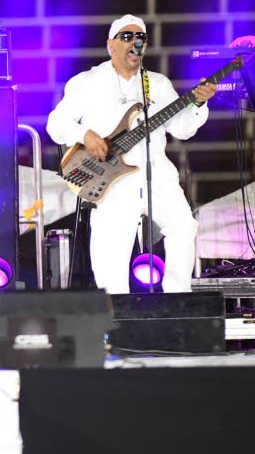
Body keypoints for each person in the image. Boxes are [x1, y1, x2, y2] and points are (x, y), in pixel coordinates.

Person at [46, 15, 216, 294]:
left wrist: (198, 104)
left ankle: (178, 298)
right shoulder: (87, 82)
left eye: (141, 37)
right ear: (110, 45)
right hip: (112, 180)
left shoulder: (157, 84)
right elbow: (56, 125)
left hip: (157, 175)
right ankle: (115, 314)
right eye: (126, 36)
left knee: (184, 226)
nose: (135, 42)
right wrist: (86, 135)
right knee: (110, 248)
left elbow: (183, 129)